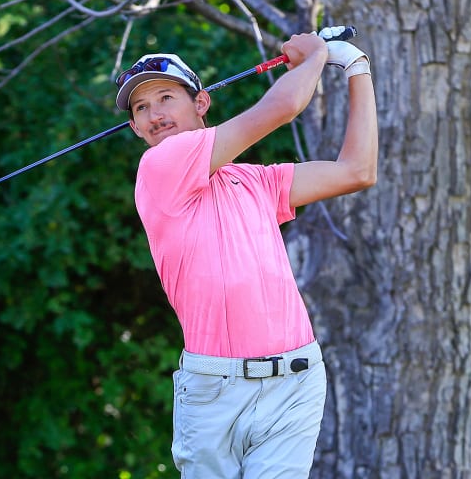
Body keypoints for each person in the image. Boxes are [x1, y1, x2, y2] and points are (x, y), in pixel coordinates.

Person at [115, 26, 378, 478]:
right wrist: (315, 54)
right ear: (136, 128)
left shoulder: (255, 181)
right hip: (216, 391)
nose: (155, 113)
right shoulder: (158, 167)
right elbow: (283, 106)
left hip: (295, 382)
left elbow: (356, 170)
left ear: (201, 104)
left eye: (165, 98)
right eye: (142, 107)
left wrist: (356, 68)